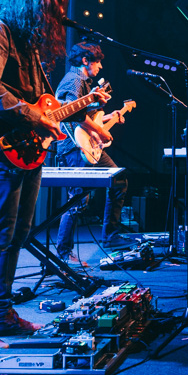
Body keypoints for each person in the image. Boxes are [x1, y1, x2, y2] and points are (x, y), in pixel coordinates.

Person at [0, 0, 108, 355]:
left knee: (19, 234)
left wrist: (84, 106)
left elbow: (49, 106)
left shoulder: (28, 46)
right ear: (30, 1)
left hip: (28, 149)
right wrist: (32, 116)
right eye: (51, 6)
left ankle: (1, 314)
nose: (55, 16)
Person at [54, 42, 130, 263]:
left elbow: (85, 116)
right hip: (73, 147)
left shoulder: (84, 82)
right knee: (77, 201)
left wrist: (107, 118)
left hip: (87, 145)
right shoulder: (74, 80)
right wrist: (100, 131)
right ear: (85, 60)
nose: (100, 67)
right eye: (97, 61)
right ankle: (63, 252)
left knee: (118, 179)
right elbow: (70, 114)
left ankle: (111, 235)